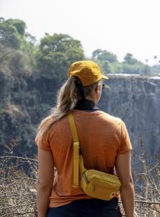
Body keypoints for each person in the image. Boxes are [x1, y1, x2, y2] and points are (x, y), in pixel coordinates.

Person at [35, 60, 134, 217]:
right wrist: (130, 215)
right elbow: (126, 182)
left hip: (62, 211)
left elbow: (44, 183)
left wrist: (41, 215)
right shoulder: (117, 126)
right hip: (105, 210)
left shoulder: (50, 126)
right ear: (97, 89)